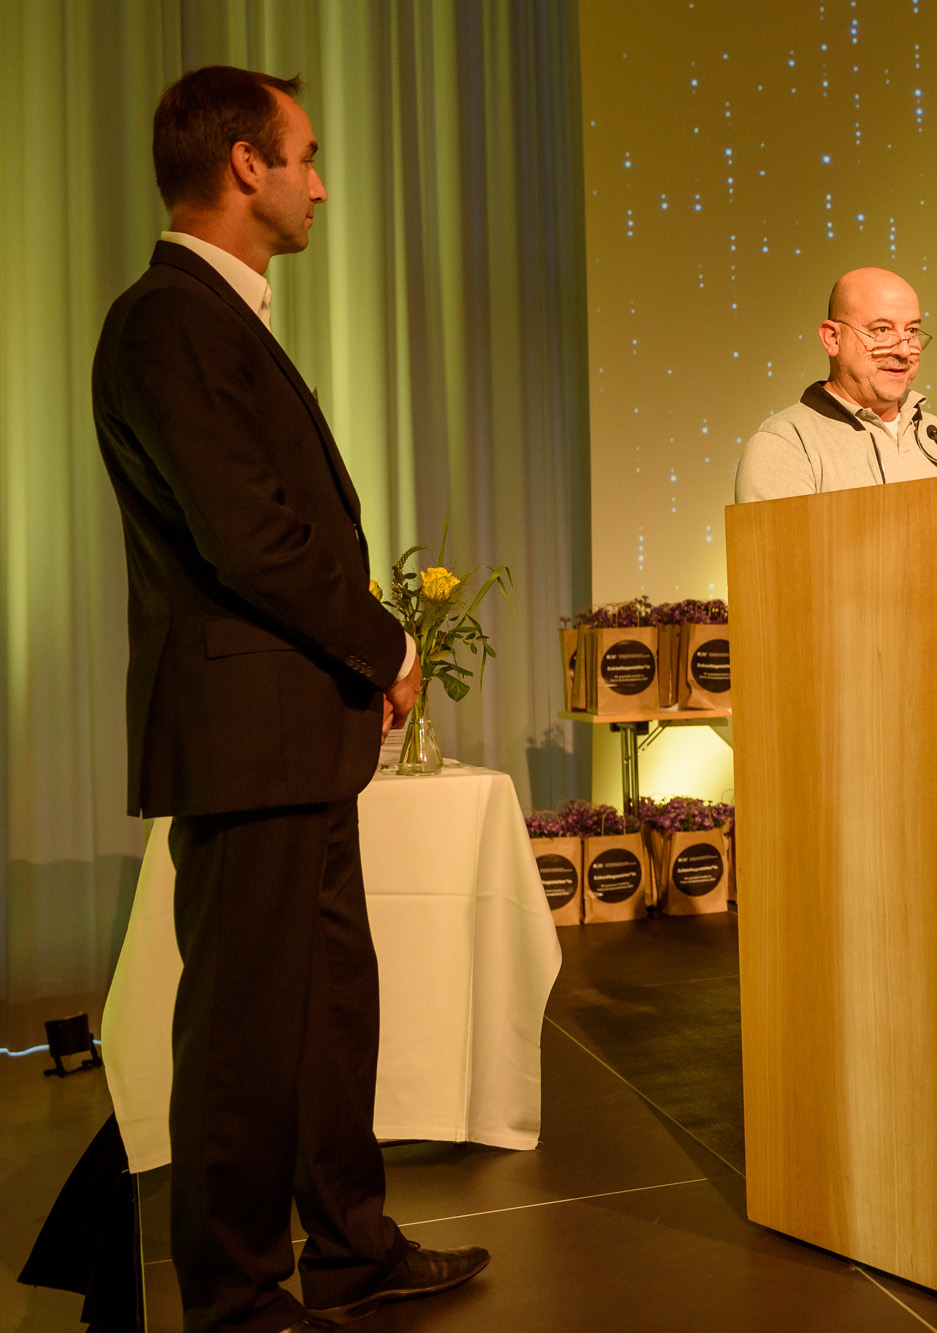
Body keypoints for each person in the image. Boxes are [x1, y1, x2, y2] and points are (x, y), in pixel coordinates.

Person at [92, 66, 487, 1332]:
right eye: (305, 156)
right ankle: (236, 1294)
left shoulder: (218, 316)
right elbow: (249, 536)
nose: (319, 185)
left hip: (289, 730)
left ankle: (351, 1246)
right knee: (248, 1027)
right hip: (243, 733)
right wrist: (384, 646)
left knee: (325, 1009)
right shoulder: (168, 320)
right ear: (244, 165)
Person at [735, 267, 937, 500]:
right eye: (882, 330)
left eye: (912, 330)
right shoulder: (787, 443)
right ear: (832, 338)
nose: (904, 350)